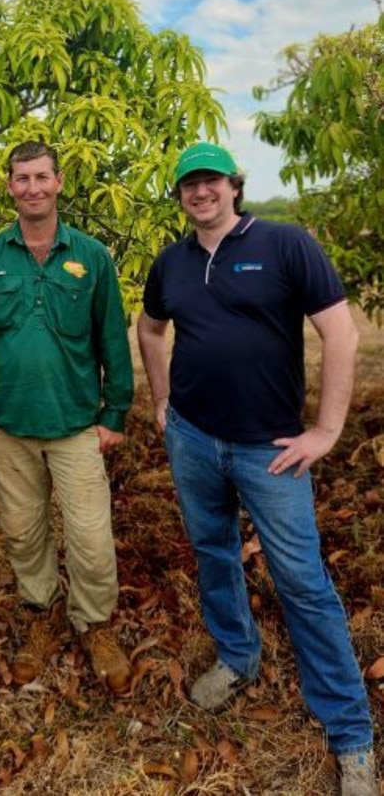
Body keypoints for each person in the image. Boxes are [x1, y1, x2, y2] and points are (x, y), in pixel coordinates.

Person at [137, 141, 377, 796]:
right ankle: (239, 657)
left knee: (300, 579)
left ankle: (351, 730)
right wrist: (162, 400)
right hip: (193, 439)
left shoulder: (285, 243)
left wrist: (325, 431)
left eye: (210, 180)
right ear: (180, 196)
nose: (200, 192)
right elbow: (151, 330)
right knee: (213, 551)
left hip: (269, 450)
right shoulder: (172, 263)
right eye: (188, 184)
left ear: (233, 186)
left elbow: (342, 333)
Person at [0, 140, 134, 695]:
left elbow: (112, 338)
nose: (32, 187)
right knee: (22, 531)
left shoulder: (93, 255)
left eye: (41, 176)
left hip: (76, 424)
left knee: (90, 536)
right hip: (8, 423)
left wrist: (115, 412)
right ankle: (41, 613)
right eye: (21, 178)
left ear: (59, 183)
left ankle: (95, 624)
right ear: (9, 187)